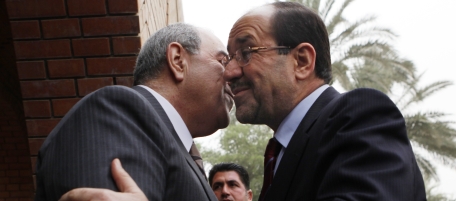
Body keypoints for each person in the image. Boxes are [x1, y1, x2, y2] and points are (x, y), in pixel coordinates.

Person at [61, 2, 427, 201]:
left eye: (246, 52)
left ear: (301, 61)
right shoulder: (279, 158)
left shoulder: (360, 115)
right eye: (224, 58)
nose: (231, 72)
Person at [34, 23, 233, 201]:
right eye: (223, 61)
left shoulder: (178, 147)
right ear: (178, 60)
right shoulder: (119, 111)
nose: (232, 74)